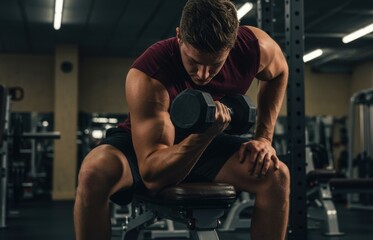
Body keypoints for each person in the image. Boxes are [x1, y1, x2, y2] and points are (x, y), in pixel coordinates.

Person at [73, 0, 289, 239]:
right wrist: (204, 136)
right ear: (179, 37)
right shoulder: (150, 73)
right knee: (93, 171)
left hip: (209, 140)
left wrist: (263, 138)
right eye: (194, 62)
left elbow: (279, 72)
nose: (203, 75)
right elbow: (153, 176)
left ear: (233, 44)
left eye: (215, 64)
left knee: (277, 174)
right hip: (147, 148)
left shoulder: (254, 47)